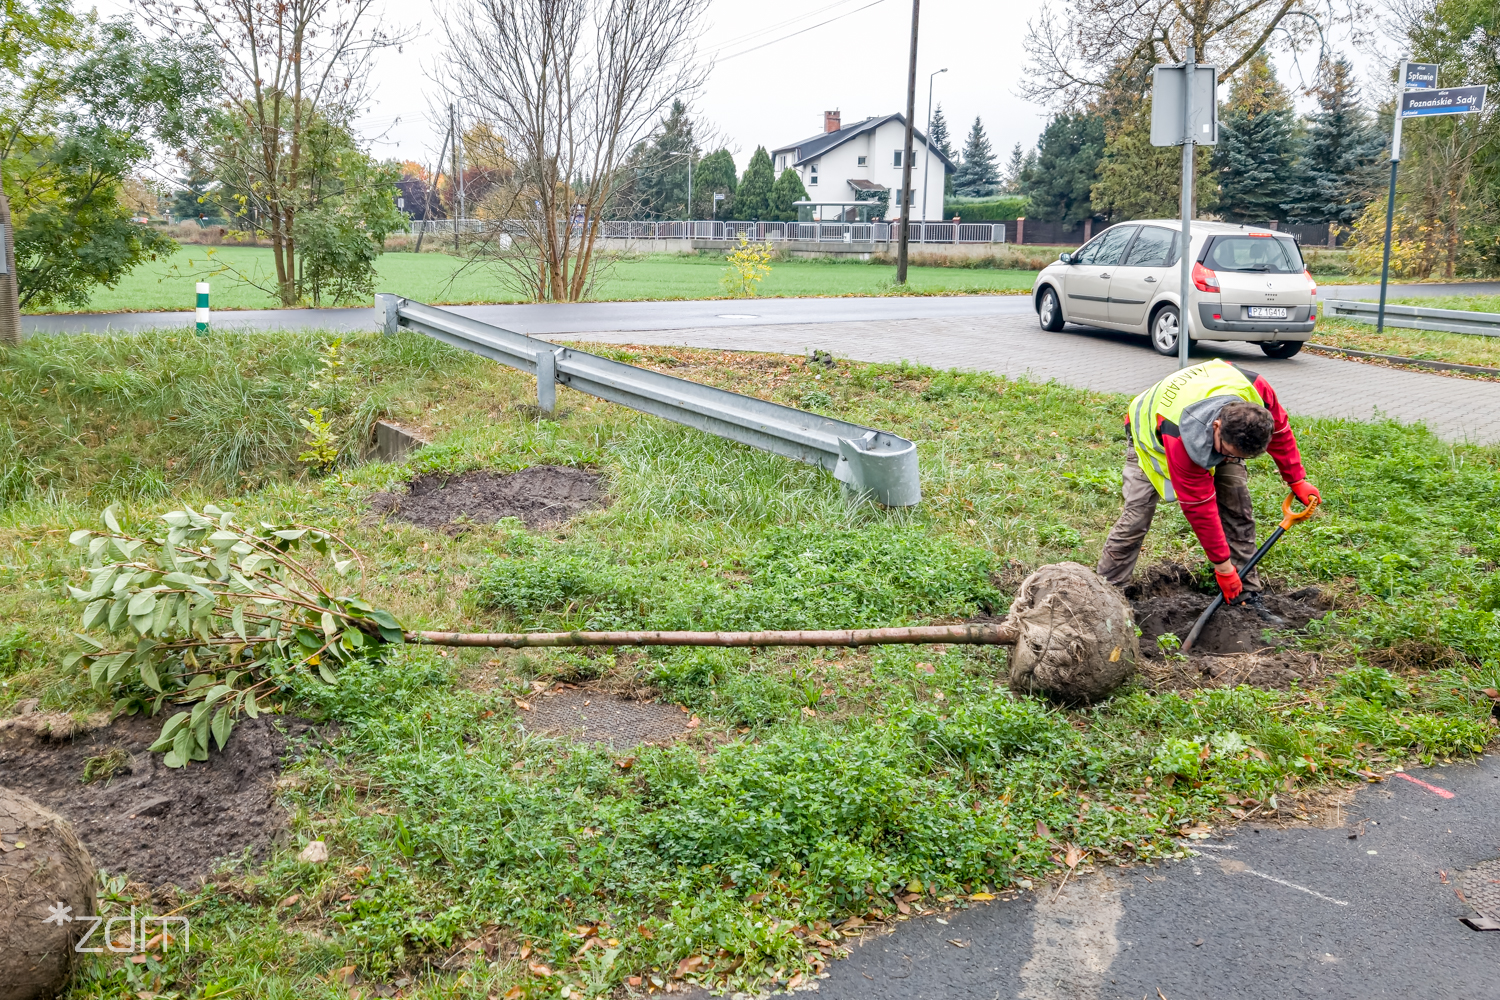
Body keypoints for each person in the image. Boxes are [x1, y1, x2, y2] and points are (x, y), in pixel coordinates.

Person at [1096, 358, 1320, 616]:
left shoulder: (1256, 390)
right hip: (1151, 437)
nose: (1226, 459)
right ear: (1217, 426)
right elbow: (1200, 508)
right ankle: (1108, 595)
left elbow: (1280, 432)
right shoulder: (1178, 435)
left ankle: (1245, 595)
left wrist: (1296, 479)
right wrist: (1223, 568)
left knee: (1238, 508)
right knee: (1137, 517)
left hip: (1211, 426)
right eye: (1226, 452)